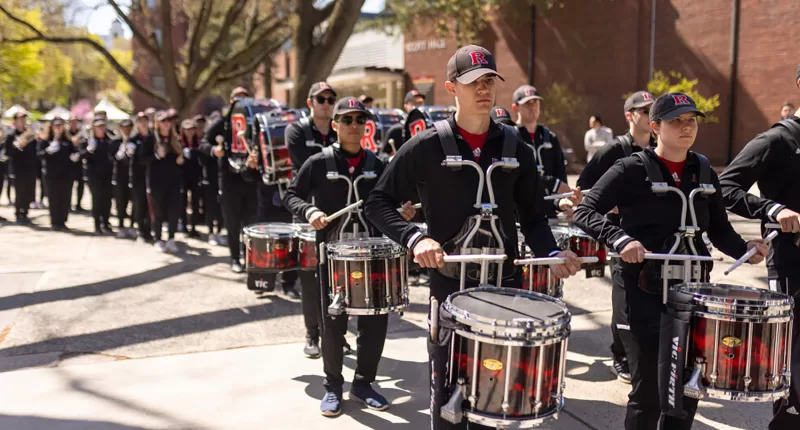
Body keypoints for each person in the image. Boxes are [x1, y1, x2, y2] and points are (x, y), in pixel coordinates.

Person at [364, 45, 581, 430]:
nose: (483, 89)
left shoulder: (517, 147)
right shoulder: (428, 145)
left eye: (489, 81)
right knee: (448, 404)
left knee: (496, 405)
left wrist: (551, 252)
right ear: (451, 87)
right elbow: (377, 202)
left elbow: (533, 217)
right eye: (472, 82)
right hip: (449, 288)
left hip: (504, 291)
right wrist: (415, 239)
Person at [573, 92, 767, 430]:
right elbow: (584, 210)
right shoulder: (630, 168)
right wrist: (621, 238)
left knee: (687, 389)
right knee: (648, 394)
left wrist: (746, 249)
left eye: (691, 120)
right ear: (654, 127)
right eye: (676, 121)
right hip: (643, 289)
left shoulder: (704, 170)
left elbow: (720, 230)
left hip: (692, 293)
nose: (686, 127)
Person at [284, 96, 416, 417]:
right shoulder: (318, 162)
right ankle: (333, 386)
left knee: (375, 320)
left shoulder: (379, 164)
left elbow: (394, 202)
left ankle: (363, 383)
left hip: (372, 254)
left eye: (360, 120)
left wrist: (404, 211)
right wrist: (310, 210)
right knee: (334, 322)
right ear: (335, 126)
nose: (354, 126)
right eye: (347, 120)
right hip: (332, 255)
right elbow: (291, 194)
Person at [718, 67, 800, 430]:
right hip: (791, 258)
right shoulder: (775, 140)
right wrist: (772, 209)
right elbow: (725, 188)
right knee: (793, 354)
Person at [576, 90, 656, 385]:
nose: (649, 115)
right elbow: (585, 188)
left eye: (652, 109)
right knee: (624, 298)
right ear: (629, 116)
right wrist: (610, 203)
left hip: (651, 236)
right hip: (619, 233)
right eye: (644, 110)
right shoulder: (613, 150)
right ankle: (620, 355)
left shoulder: (661, 148)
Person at [199, 87, 259, 272]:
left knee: (250, 223)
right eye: (237, 99)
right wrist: (214, 151)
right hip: (229, 179)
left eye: (244, 99)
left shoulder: (255, 124)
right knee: (232, 222)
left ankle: (249, 257)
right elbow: (203, 143)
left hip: (250, 178)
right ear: (231, 103)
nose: (240, 103)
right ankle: (235, 258)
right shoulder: (223, 123)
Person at [143, 111, 185, 253]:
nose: (166, 124)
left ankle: (171, 238)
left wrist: (180, 160)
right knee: (158, 212)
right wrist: (156, 156)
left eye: (168, 121)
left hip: (173, 182)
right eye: (163, 121)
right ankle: (158, 239)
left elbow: (180, 159)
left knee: (173, 211)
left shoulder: (175, 139)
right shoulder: (151, 139)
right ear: (157, 123)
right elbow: (142, 159)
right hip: (156, 182)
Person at [286, 82, 338, 174]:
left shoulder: (339, 130)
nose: (326, 103)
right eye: (321, 99)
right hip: (306, 187)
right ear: (310, 103)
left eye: (331, 100)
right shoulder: (296, 130)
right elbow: (307, 166)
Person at [36, 118, 79, 230]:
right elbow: (40, 155)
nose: (58, 128)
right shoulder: (45, 141)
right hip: (51, 175)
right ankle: (55, 222)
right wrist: (49, 150)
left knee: (65, 199)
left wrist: (75, 156)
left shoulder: (67, 141)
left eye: (60, 125)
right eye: (55, 125)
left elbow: (74, 154)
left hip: (66, 175)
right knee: (53, 198)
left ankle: (62, 221)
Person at [79, 118, 115, 234]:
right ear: (94, 128)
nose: (101, 129)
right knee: (97, 199)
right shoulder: (87, 140)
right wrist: (89, 150)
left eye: (102, 126)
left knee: (107, 200)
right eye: (98, 127)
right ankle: (97, 225)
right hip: (93, 175)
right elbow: (81, 156)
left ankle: (106, 222)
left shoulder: (109, 140)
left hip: (107, 175)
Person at [4, 110, 38, 224]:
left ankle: (25, 213)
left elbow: (35, 151)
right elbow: (7, 153)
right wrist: (18, 146)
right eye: (19, 119)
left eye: (23, 119)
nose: (22, 122)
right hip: (17, 169)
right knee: (20, 192)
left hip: (30, 168)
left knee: (29, 192)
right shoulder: (11, 136)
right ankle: (18, 214)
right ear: (15, 121)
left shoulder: (30, 134)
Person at [130, 113, 154, 243]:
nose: (143, 123)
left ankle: (149, 230)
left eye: (145, 121)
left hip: (151, 177)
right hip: (137, 177)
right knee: (139, 204)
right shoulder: (133, 140)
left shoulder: (153, 138)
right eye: (141, 121)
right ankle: (140, 230)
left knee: (150, 205)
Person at [381, 89, 427, 158]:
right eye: (414, 103)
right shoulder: (395, 130)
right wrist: (390, 158)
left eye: (420, 103)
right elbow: (382, 155)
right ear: (406, 106)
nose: (417, 106)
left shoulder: (429, 128)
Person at [111, 119, 136, 238]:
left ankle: (132, 225)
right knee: (120, 202)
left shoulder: (135, 141)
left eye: (129, 127)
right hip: (120, 177)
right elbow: (110, 158)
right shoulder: (115, 142)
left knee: (134, 202)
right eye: (124, 127)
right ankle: (121, 225)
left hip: (133, 176)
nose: (126, 130)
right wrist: (119, 155)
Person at [179, 119, 203, 238]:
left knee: (195, 203)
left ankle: (193, 226)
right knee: (182, 202)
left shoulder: (198, 143)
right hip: (182, 177)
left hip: (195, 177)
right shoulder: (179, 143)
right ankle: (184, 226)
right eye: (187, 129)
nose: (189, 132)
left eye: (192, 129)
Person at [67, 116, 87, 213]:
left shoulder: (81, 134)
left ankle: (78, 204)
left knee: (81, 185)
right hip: (69, 164)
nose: (74, 124)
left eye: (75, 122)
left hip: (79, 163)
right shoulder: (66, 134)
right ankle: (68, 204)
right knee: (69, 186)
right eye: (72, 122)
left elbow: (84, 145)